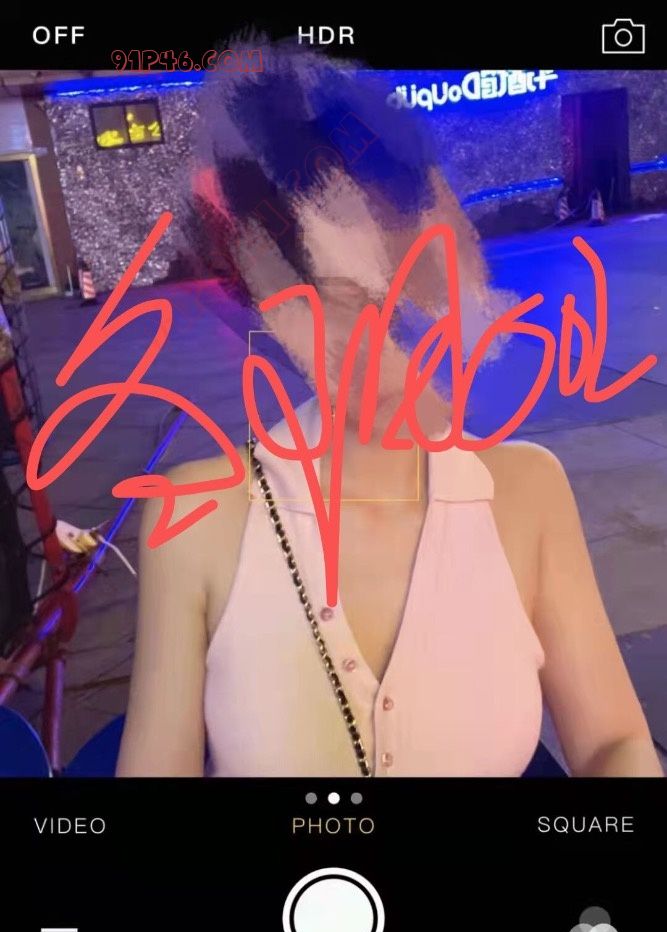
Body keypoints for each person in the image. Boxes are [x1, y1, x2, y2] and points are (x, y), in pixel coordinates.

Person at [116, 42, 662, 778]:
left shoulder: (527, 491)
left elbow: (613, 742)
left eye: (408, 290)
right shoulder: (194, 516)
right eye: (331, 302)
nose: (382, 342)